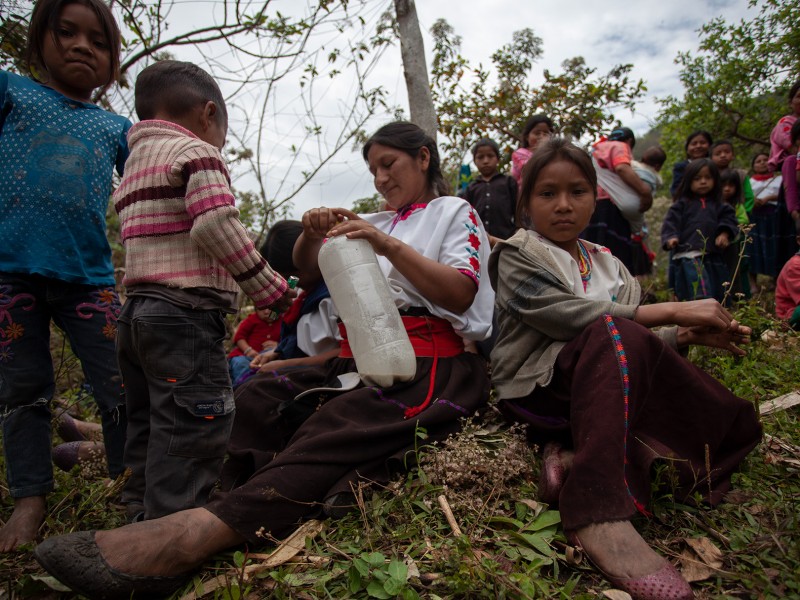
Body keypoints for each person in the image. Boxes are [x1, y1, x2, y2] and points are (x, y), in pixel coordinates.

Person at [34, 121, 495, 598]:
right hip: (362, 357)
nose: (380, 178)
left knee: (339, 424)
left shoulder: (452, 211)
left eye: (389, 164)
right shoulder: (373, 222)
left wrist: (387, 246)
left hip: (429, 362)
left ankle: (200, 532)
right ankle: (191, 487)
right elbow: (305, 267)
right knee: (261, 395)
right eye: (373, 169)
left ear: (423, 157)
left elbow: (461, 294)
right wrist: (314, 233)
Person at [489, 137, 761, 600]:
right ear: (526, 202)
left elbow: (632, 341)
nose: (563, 205)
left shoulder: (609, 263)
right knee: (608, 329)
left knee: (713, 407)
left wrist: (685, 337)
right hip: (537, 391)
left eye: (577, 191)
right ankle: (597, 508)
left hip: (600, 389)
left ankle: (574, 457)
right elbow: (569, 317)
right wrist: (674, 310)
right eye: (547, 193)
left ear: (595, 197)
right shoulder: (517, 253)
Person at [113, 60, 294, 522]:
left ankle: (137, 513)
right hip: (183, 317)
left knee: (148, 423)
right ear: (207, 114)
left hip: (136, 315)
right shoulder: (197, 153)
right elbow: (215, 223)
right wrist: (268, 287)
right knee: (194, 425)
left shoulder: (134, 165)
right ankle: (169, 528)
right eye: (223, 133)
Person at [0, 0, 131, 551]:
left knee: (123, 379)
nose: (82, 46)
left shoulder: (117, 127)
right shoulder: (12, 92)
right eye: (67, 33)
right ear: (39, 44)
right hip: (10, 274)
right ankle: (30, 498)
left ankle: (130, 483)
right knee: (22, 390)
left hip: (89, 279)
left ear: (112, 64)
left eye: (98, 42)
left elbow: (155, 181)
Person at [235, 220, 340, 386]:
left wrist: (288, 364)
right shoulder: (304, 296)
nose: (294, 284)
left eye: (295, 276)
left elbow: (347, 353)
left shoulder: (337, 295)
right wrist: (276, 352)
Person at [662, 159, 738, 302]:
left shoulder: (720, 205)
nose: (703, 182)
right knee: (699, 288)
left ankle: (718, 315)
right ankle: (699, 313)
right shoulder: (681, 204)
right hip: (688, 253)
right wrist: (671, 237)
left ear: (715, 180)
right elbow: (670, 222)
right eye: (697, 178)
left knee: (718, 287)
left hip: (713, 253)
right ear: (689, 181)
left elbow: (729, 219)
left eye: (708, 178)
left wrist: (724, 233)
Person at [583, 127, 653, 276]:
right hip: (611, 209)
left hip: (593, 206)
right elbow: (621, 168)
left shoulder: (595, 151)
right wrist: (645, 192)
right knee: (614, 256)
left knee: (592, 253)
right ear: (629, 141)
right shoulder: (620, 146)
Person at [460, 138, 517, 247]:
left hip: (506, 241)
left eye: (490, 156)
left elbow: (518, 210)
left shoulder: (508, 182)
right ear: (475, 161)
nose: (485, 161)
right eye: (480, 157)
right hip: (479, 243)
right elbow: (466, 216)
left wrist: (518, 231)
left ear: (498, 159)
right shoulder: (471, 188)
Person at [227, 306, 281, 383]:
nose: (266, 312)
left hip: (269, 357)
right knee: (240, 363)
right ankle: (243, 385)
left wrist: (277, 345)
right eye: (261, 309)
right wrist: (248, 350)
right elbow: (239, 337)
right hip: (246, 356)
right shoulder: (252, 319)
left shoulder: (283, 321)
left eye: (271, 309)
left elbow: (288, 340)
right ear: (256, 310)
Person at [719, 169, 751, 299]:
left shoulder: (737, 206)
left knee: (734, 271)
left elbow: (744, 220)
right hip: (715, 244)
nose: (727, 189)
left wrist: (731, 226)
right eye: (723, 185)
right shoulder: (714, 204)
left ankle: (736, 299)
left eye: (731, 186)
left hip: (732, 244)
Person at [710, 140, 755, 213]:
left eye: (727, 152)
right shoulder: (708, 176)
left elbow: (749, 197)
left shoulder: (741, 175)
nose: (723, 155)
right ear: (711, 158)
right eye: (718, 154)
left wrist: (744, 213)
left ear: (733, 156)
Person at [766, 79, 800, 173]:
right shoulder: (785, 124)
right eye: (799, 96)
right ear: (790, 103)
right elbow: (794, 149)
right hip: (789, 169)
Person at [511, 114, 554, 187]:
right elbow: (530, 170)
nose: (541, 137)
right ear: (527, 137)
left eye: (546, 133)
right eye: (537, 133)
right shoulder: (519, 154)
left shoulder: (554, 154)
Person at [670, 130, 713, 199]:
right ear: (687, 149)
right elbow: (676, 190)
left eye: (702, 143)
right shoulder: (681, 167)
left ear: (710, 146)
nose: (698, 146)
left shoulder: (714, 165)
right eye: (694, 144)